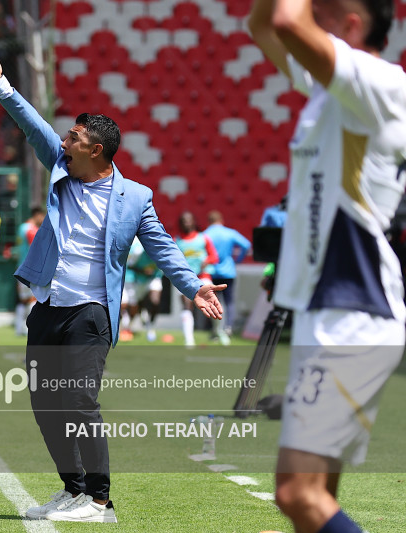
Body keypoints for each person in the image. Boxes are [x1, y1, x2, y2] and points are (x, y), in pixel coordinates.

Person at [0, 44, 225, 523]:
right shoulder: (61, 166)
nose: (64, 140)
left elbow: (163, 247)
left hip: (92, 311)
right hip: (49, 306)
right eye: (66, 135)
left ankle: (101, 500)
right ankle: (74, 491)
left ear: (97, 150)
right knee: (45, 404)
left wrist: (194, 287)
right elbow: (33, 126)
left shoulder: (136, 197)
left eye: (74, 137)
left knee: (79, 399)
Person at [249, 1, 406, 532]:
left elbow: (289, 23)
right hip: (328, 311)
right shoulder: (331, 90)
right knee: (314, 500)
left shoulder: (379, 81)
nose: (311, 15)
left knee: (297, 493)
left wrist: (298, 17)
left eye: (325, 10)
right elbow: (264, 23)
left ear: (351, 26)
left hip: (355, 311)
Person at [175, 211, 222, 347]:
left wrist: (206, 261)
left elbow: (214, 256)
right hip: (186, 279)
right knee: (186, 305)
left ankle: (218, 331)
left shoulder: (203, 238)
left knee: (213, 303)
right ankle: (189, 339)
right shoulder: (177, 240)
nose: (187, 223)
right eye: (184, 220)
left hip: (203, 277)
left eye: (189, 220)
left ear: (194, 221)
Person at [203, 210, 251, 337]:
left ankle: (215, 330)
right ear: (221, 220)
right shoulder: (230, 233)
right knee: (229, 301)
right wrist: (238, 259)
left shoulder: (206, 234)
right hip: (228, 271)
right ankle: (228, 327)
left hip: (212, 272)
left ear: (209, 221)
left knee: (212, 301)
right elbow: (246, 245)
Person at [13, 206, 44, 336]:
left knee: (23, 300)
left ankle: (19, 328)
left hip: (20, 267)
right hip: (30, 269)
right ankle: (28, 327)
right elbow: (35, 249)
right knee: (33, 299)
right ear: (37, 215)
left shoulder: (21, 228)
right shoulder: (32, 230)